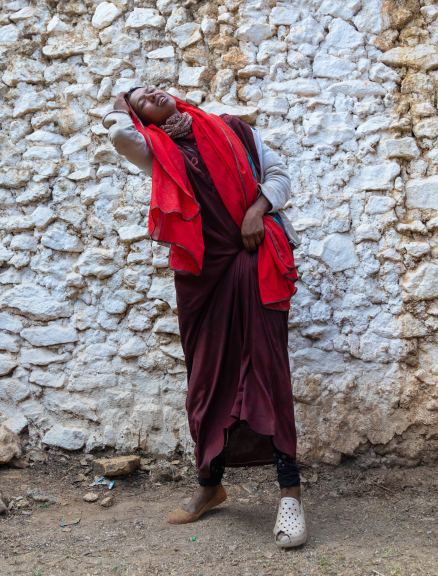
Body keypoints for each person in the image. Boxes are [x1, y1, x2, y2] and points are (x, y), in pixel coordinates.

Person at [103, 86, 306, 548]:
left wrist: (258, 209)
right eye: (142, 100)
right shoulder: (157, 151)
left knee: (268, 369)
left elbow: (278, 175)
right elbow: (121, 138)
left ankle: (290, 493)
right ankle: (210, 484)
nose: (153, 92)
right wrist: (118, 107)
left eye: (155, 86)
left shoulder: (234, 129)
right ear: (143, 120)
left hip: (257, 258)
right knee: (207, 378)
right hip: (202, 276)